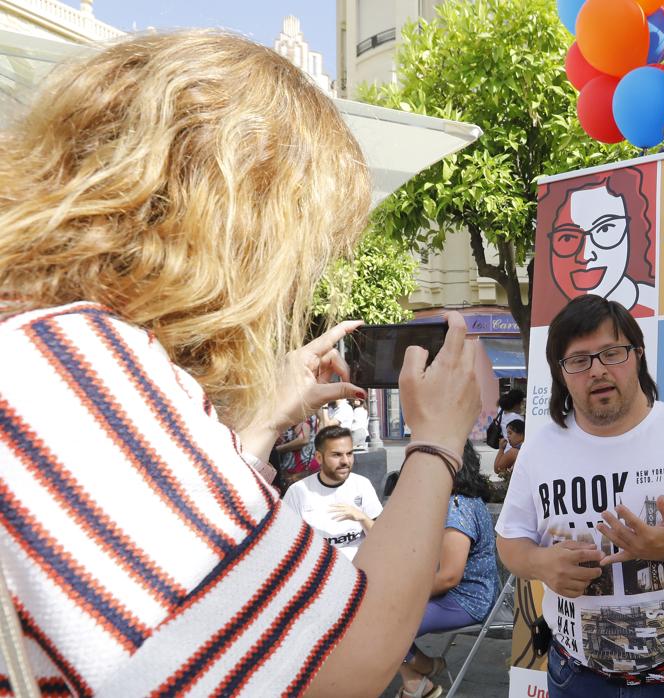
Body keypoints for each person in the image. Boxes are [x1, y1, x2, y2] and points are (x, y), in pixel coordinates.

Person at [0, 30, 481, 696]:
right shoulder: (78, 366)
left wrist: (262, 419)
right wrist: (438, 439)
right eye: (306, 251)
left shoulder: (36, 342)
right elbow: (348, 659)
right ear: (245, 227)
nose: (298, 287)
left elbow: (178, 594)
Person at [496, 295, 664, 697]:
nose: (598, 370)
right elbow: (509, 538)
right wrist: (538, 563)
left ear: (637, 355)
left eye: (612, 352)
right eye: (579, 360)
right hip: (576, 677)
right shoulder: (540, 449)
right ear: (562, 373)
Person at [397, 445, 500, 698]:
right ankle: (415, 680)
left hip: (468, 600)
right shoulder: (466, 500)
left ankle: (423, 668)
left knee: (386, 624)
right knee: (380, 616)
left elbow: (450, 576)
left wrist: (405, 593)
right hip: (471, 595)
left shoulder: (457, 506)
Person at [540, 166, 657, 316]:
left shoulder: (654, 308)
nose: (586, 255)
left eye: (605, 229)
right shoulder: (547, 322)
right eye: (567, 237)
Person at [282, 426, 383, 561]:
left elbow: (381, 539)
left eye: (349, 454)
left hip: (359, 567)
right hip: (318, 568)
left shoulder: (362, 484)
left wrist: (363, 518)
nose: (345, 461)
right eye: (337, 455)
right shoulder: (298, 492)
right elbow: (288, 543)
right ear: (319, 457)